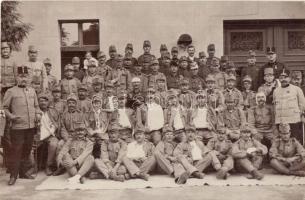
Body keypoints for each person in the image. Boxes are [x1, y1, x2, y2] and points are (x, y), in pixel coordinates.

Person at [3, 65, 42, 185]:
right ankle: (13, 176)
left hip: (30, 126)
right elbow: (4, 108)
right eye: (21, 76)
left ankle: (23, 172)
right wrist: (12, 117)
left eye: (25, 76)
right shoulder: (11, 91)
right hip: (17, 127)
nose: (23, 79)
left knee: (27, 149)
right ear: (16, 77)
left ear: (28, 77)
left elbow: (36, 107)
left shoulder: (32, 91)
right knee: (16, 151)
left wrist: (38, 114)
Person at [273, 69, 305, 145]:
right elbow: (275, 105)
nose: (283, 79)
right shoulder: (276, 91)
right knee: (283, 141)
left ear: (289, 78)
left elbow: (302, 104)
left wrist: (300, 115)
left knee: (295, 141)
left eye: (285, 77)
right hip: (281, 121)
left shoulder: (297, 89)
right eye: (281, 77)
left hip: (294, 120)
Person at [37, 92, 61, 176]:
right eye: (41, 101)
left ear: (48, 102)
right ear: (38, 102)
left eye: (45, 101)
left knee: (54, 144)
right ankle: (32, 167)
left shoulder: (53, 111)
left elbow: (57, 124)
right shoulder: (35, 112)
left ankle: (48, 166)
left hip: (50, 135)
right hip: (37, 135)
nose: (43, 103)